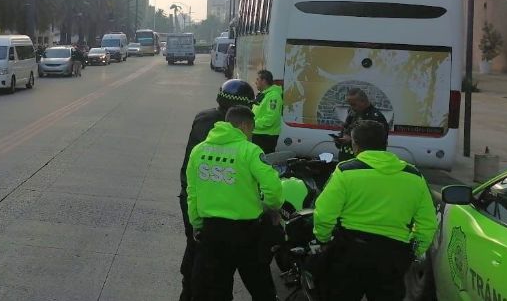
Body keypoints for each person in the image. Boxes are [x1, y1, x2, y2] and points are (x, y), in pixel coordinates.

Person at [313, 120, 437, 301]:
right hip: (392, 256)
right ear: (385, 144)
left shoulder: (346, 171)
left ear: (355, 145)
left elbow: (324, 214)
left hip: (350, 252)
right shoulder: (414, 176)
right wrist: (413, 251)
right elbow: (427, 224)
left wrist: (323, 239)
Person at [186, 106, 283, 301]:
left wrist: (197, 224)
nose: (251, 135)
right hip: (246, 234)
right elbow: (273, 188)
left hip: (212, 233)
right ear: (245, 125)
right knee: (261, 288)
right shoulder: (250, 151)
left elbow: (192, 193)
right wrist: (270, 207)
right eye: (251, 130)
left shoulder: (199, 150)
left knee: (216, 289)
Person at [178, 79, 256, 301]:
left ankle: (189, 293)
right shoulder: (230, 132)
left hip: (191, 196)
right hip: (211, 204)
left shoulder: (203, 118)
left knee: (195, 248)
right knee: (216, 263)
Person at [334, 87, 388, 161]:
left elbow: (376, 144)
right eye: (350, 104)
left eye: (353, 104)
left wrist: (351, 140)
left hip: (363, 161)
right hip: (346, 159)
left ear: (363, 101)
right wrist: (339, 140)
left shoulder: (375, 117)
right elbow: (345, 130)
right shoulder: (352, 113)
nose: (351, 107)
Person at [251, 70, 283, 154]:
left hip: (266, 137)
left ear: (264, 81)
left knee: (262, 163)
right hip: (258, 133)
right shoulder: (264, 94)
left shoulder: (274, 96)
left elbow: (270, 118)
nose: (255, 82)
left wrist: (252, 124)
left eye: (257, 79)